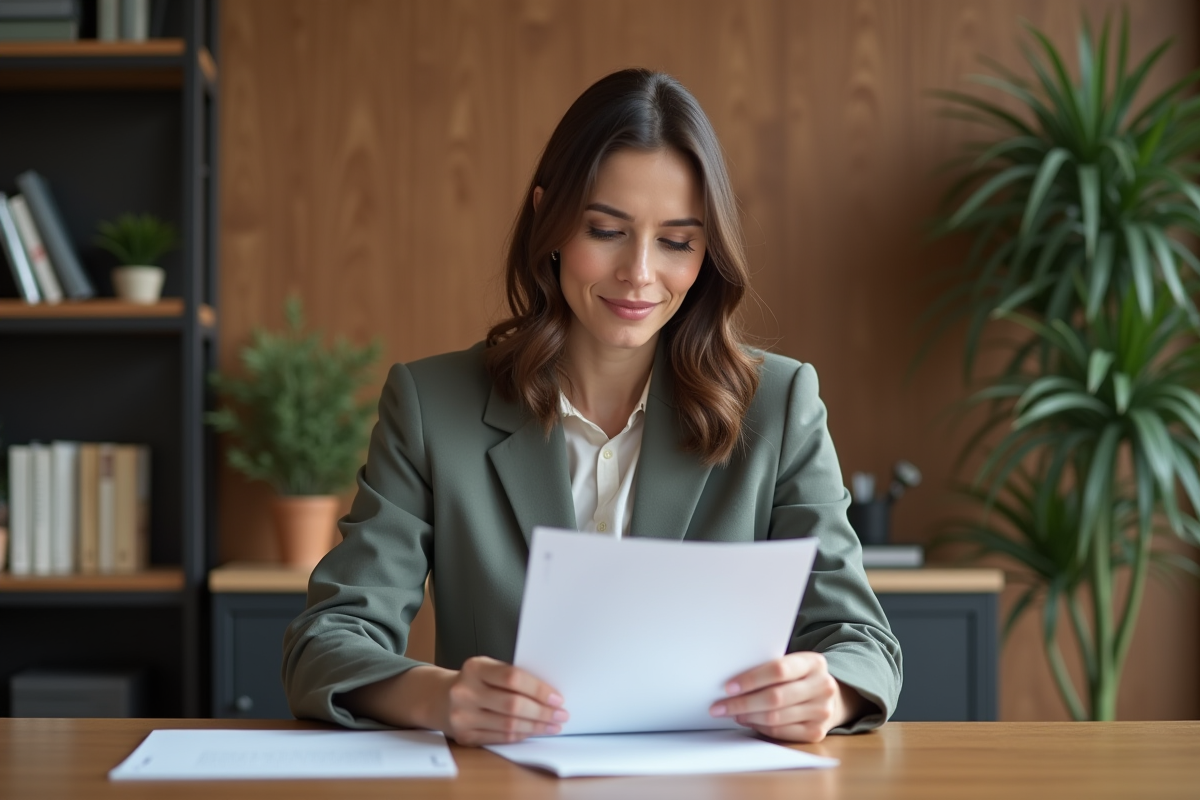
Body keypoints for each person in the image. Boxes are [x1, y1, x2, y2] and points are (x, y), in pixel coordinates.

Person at [282, 68, 901, 746]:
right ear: (550, 220)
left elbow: (860, 639)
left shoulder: (779, 405)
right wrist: (439, 696)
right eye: (605, 230)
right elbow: (325, 641)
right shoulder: (433, 405)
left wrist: (831, 693)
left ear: (707, 252)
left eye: (676, 241)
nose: (639, 272)